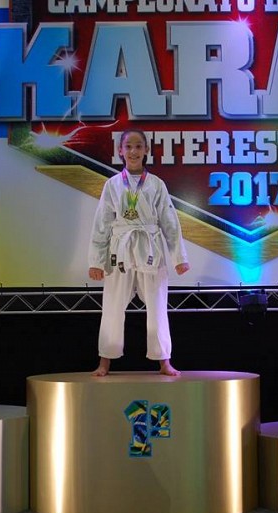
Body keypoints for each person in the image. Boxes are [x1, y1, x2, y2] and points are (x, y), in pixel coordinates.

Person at [89, 129, 190, 377]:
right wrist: (96, 262)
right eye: (128, 146)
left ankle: (164, 361)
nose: (133, 151)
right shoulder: (112, 184)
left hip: (150, 249)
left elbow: (169, 222)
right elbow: (101, 224)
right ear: (120, 151)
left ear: (146, 150)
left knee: (157, 306)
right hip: (120, 251)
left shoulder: (156, 184)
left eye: (138, 146)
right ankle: (105, 361)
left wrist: (179, 257)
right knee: (112, 306)